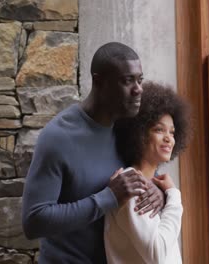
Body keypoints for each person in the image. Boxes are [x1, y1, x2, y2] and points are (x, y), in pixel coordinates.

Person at [21, 42, 165, 263]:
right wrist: (109, 197)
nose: (138, 89)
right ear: (98, 82)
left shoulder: (129, 128)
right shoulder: (58, 137)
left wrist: (158, 190)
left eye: (140, 80)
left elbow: (144, 175)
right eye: (127, 81)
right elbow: (34, 221)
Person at [105, 81, 191, 263]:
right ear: (138, 134)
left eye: (172, 132)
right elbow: (157, 253)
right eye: (159, 130)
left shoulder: (151, 185)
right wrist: (174, 197)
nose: (169, 138)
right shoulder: (130, 185)